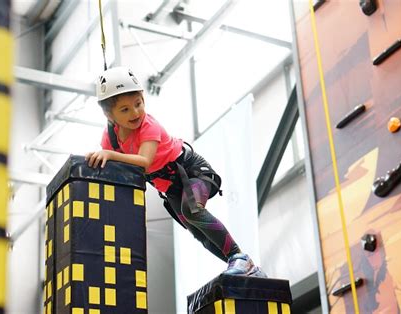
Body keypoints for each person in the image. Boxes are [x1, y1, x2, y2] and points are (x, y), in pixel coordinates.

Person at [86, 67, 266, 277]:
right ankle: (246, 268)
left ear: (143, 98)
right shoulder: (110, 138)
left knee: (193, 211)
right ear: (109, 115)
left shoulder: (148, 126)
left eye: (138, 104)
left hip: (192, 173)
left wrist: (110, 155)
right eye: (125, 110)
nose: (135, 112)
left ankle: (239, 257)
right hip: (171, 188)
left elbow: (143, 163)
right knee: (198, 233)